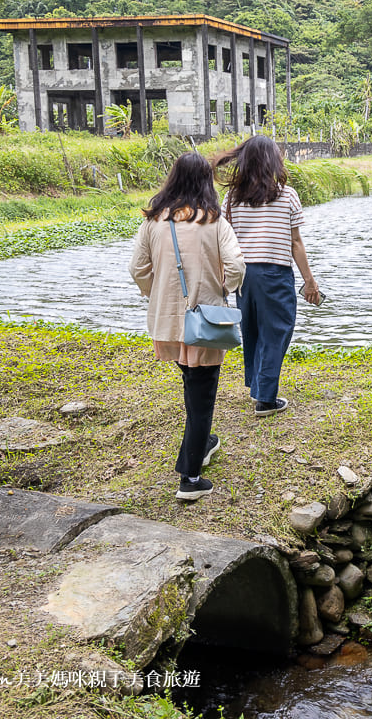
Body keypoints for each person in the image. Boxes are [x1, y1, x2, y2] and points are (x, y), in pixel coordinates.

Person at [129, 152, 245, 501]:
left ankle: (202, 445)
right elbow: (237, 266)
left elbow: (137, 269)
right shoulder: (214, 222)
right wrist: (222, 289)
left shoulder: (153, 221)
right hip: (205, 318)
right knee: (202, 394)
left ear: (174, 178)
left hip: (167, 320)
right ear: (205, 181)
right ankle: (190, 478)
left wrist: (159, 294)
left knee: (191, 384)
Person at [216, 135, 320, 416]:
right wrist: (309, 280)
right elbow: (295, 243)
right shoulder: (286, 194)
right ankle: (265, 399)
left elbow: (225, 242)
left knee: (253, 330)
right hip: (274, 272)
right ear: (272, 160)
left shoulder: (231, 198)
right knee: (277, 331)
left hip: (243, 277)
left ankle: (258, 386)